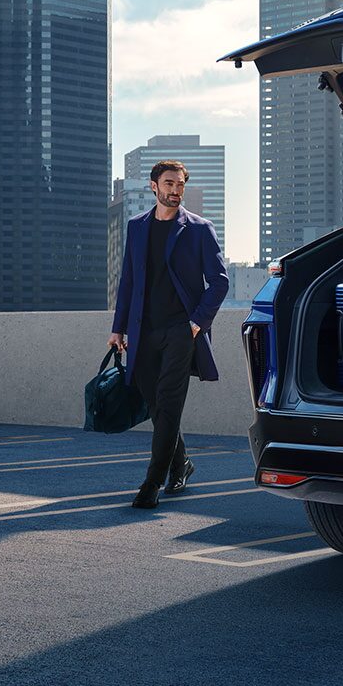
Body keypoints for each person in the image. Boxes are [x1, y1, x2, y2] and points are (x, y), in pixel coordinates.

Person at [108, 160, 229, 509]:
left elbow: (219, 282)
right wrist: (118, 327)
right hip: (142, 331)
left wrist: (196, 323)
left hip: (181, 332)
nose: (175, 190)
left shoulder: (200, 229)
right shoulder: (137, 227)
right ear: (154, 186)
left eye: (180, 185)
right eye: (169, 184)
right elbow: (128, 280)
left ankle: (152, 483)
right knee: (157, 406)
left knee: (170, 403)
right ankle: (181, 464)